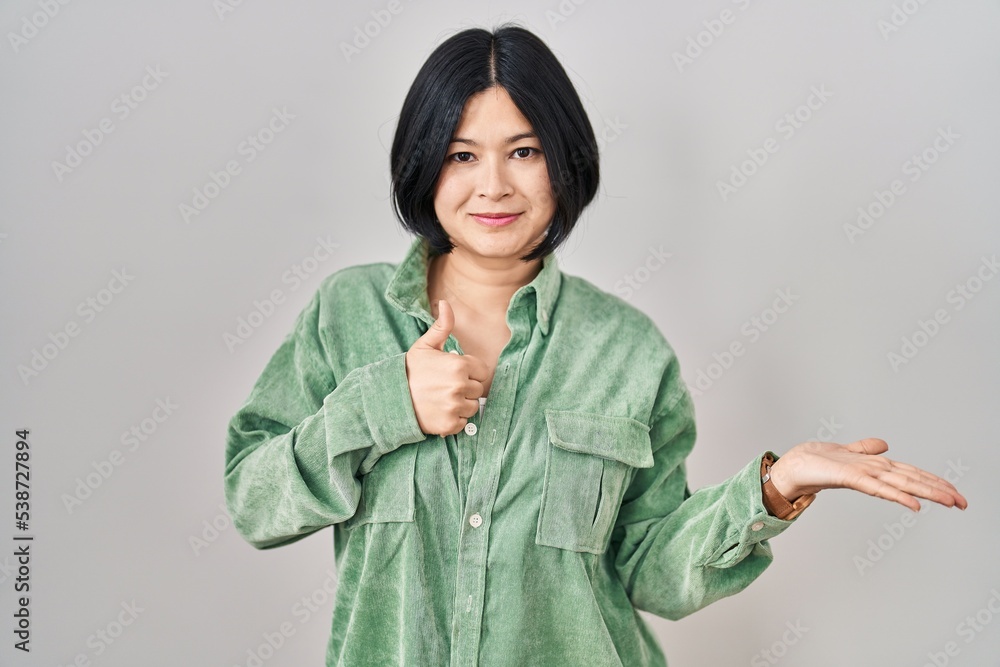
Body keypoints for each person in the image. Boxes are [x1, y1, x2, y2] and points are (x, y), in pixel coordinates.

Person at [223, 23, 967, 667]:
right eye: (460, 155)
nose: (493, 186)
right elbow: (255, 503)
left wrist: (776, 486)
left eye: (523, 151)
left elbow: (651, 570)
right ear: (424, 163)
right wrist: (385, 406)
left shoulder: (627, 349)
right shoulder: (345, 314)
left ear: (563, 161)